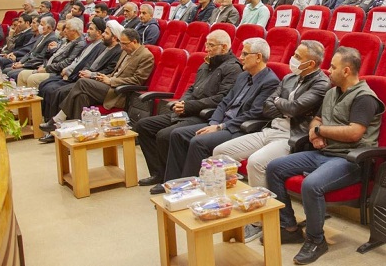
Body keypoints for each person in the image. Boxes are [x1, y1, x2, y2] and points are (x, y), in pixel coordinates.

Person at [266, 47, 385, 264]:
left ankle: (316, 240)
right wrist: (315, 133)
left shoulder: (364, 97)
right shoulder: (331, 92)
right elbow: (318, 119)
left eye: (333, 67)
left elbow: (354, 132)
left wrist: (320, 131)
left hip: (350, 160)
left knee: (311, 185)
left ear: (346, 71)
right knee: (274, 167)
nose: (328, 70)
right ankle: (289, 227)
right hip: (323, 152)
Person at [213, 41, 330, 242]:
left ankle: (258, 220)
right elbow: (268, 107)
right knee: (220, 153)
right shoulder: (289, 77)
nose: (292, 59)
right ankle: (233, 206)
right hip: (270, 129)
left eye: (298, 57)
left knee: (256, 162)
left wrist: (281, 104)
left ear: (311, 64)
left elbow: (294, 108)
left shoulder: (321, 83)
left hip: (292, 137)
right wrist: (285, 105)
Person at [136, 30, 242, 190]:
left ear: (224, 47)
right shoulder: (206, 64)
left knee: (165, 135)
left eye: (211, 45)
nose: (206, 48)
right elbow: (192, 88)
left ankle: (172, 180)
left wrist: (188, 106)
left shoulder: (233, 68)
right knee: (143, 125)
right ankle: (159, 173)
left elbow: (221, 98)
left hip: (204, 115)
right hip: (188, 110)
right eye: (206, 44)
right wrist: (182, 102)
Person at [163, 38, 280, 181]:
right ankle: (172, 182)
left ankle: (191, 186)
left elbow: (253, 114)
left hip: (238, 129)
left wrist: (220, 127)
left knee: (198, 142)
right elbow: (225, 102)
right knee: (178, 134)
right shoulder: (243, 76)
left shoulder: (270, 82)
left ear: (258, 57)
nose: (240, 57)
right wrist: (214, 123)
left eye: (245, 54)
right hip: (222, 123)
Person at [39, 28, 154, 129]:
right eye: (121, 43)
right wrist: (104, 77)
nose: (122, 47)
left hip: (120, 92)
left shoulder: (146, 56)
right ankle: (77, 130)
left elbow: (137, 80)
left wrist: (111, 81)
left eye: (124, 44)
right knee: (81, 96)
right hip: (109, 84)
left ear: (134, 41)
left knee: (82, 82)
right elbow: (116, 72)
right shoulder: (125, 52)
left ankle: (58, 119)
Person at [37, 20, 123, 143]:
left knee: (62, 92)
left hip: (99, 83)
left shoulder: (118, 51)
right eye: (104, 32)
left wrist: (91, 75)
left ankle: (57, 121)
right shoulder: (105, 47)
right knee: (80, 97)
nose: (103, 35)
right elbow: (90, 63)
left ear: (114, 37)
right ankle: (70, 134)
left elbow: (108, 71)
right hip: (88, 79)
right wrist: (85, 71)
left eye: (106, 33)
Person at [16, 18, 86, 88]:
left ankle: (33, 95)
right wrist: (50, 51)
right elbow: (52, 56)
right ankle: (22, 94)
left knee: (33, 79)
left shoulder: (79, 44)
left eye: (67, 28)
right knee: (22, 74)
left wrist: (46, 69)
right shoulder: (65, 40)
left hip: (56, 72)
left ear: (74, 31)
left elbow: (67, 62)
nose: (64, 30)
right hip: (48, 67)